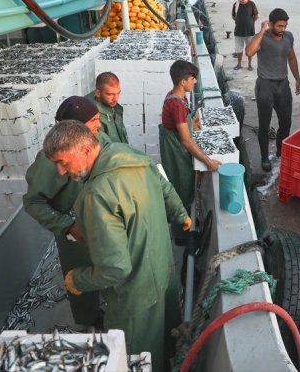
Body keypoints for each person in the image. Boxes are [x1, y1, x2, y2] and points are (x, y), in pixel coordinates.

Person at [44, 120, 190, 372]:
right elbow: (165, 189)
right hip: (163, 272)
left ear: (86, 150)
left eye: (63, 162)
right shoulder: (133, 157)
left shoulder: (95, 196)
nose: (60, 171)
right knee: (167, 341)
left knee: (135, 359)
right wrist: (182, 215)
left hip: (135, 296)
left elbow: (115, 268)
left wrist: (78, 280)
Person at [22, 96, 107, 331]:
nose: (98, 125)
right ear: (74, 128)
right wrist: (67, 225)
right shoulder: (51, 162)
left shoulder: (95, 142)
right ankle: (87, 319)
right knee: (79, 277)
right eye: (93, 121)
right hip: (74, 233)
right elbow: (32, 202)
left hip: (99, 222)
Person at [159, 60, 221, 213]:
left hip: (177, 146)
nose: (195, 81)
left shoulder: (178, 96)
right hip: (176, 152)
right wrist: (208, 161)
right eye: (192, 78)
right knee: (181, 190)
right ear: (182, 82)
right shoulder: (176, 104)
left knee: (183, 188)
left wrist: (193, 123)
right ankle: (182, 233)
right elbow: (186, 141)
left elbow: (182, 126)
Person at [245, 8, 300, 172]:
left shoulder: (288, 37)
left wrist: (297, 78)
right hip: (265, 86)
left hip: (283, 85)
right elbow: (249, 52)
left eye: (284, 26)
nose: (282, 29)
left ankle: (280, 151)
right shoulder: (262, 38)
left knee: (286, 123)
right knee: (264, 125)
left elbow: (291, 57)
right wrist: (262, 31)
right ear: (270, 24)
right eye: (279, 26)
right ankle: (264, 157)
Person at [87, 72, 128, 144]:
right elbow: (103, 149)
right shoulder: (92, 116)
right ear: (98, 93)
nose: (116, 99)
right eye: (110, 94)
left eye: (118, 93)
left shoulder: (112, 107)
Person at [231, 0, 259, 71]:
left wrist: (250, 22)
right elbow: (233, 16)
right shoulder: (236, 4)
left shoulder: (251, 4)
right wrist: (239, 21)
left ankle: (249, 64)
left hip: (249, 32)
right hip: (238, 31)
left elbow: (256, 16)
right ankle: (239, 64)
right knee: (239, 49)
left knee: (250, 49)